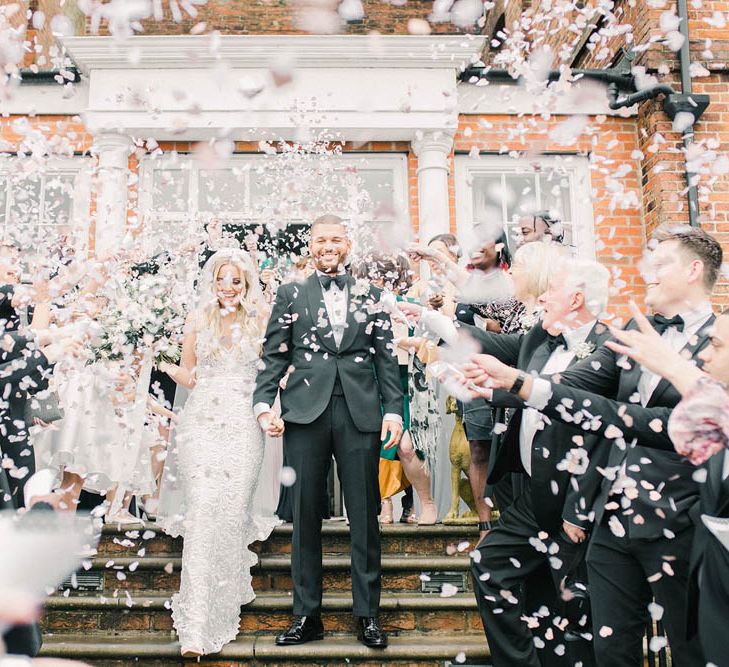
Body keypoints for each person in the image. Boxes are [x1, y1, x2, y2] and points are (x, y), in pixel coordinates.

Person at [467, 224, 719, 666]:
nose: (649, 275)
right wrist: (511, 382)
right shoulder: (634, 333)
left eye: (661, 265)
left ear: (694, 270)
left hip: (681, 523)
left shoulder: (723, 344)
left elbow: (672, 425)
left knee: (688, 648)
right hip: (612, 519)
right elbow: (576, 385)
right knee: (610, 650)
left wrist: (519, 383)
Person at [253, 214, 403, 649]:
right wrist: (264, 405)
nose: (328, 246)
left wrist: (393, 412)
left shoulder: (374, 296)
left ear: (348, 243)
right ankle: (306, 616)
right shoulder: (290, 293)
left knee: (364, 515)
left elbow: (387, 361)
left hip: (360, 414)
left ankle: (368, 615)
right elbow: (274, 355)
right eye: (321, 240)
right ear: (311, 245)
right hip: (304, 413)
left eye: (335, 239)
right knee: (303, 516)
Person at [156, 249, 279, 657]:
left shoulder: (260, 320)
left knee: (230, 510)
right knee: (205, 510)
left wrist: (271, 413)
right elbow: (189, 376)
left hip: (244, 424)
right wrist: (159, 358)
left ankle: (225, 598)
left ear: (246, 285)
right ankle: (195, 624)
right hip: (202, 424)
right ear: (211, 284)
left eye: (235, 281)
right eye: (221, 281)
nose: (228, 288)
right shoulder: (198, 320)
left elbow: (274, 373)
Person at [357, 253, 439, 527]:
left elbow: (433, 348)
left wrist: (411, 342)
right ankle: (385, 503)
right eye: (374, 276)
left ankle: (424, 501)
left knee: (406, 447)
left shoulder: (412, 307)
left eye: (385, 276)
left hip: (409, 386)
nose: (379, 282)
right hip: (375, 384)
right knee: (378, 446)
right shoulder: (362, 309)